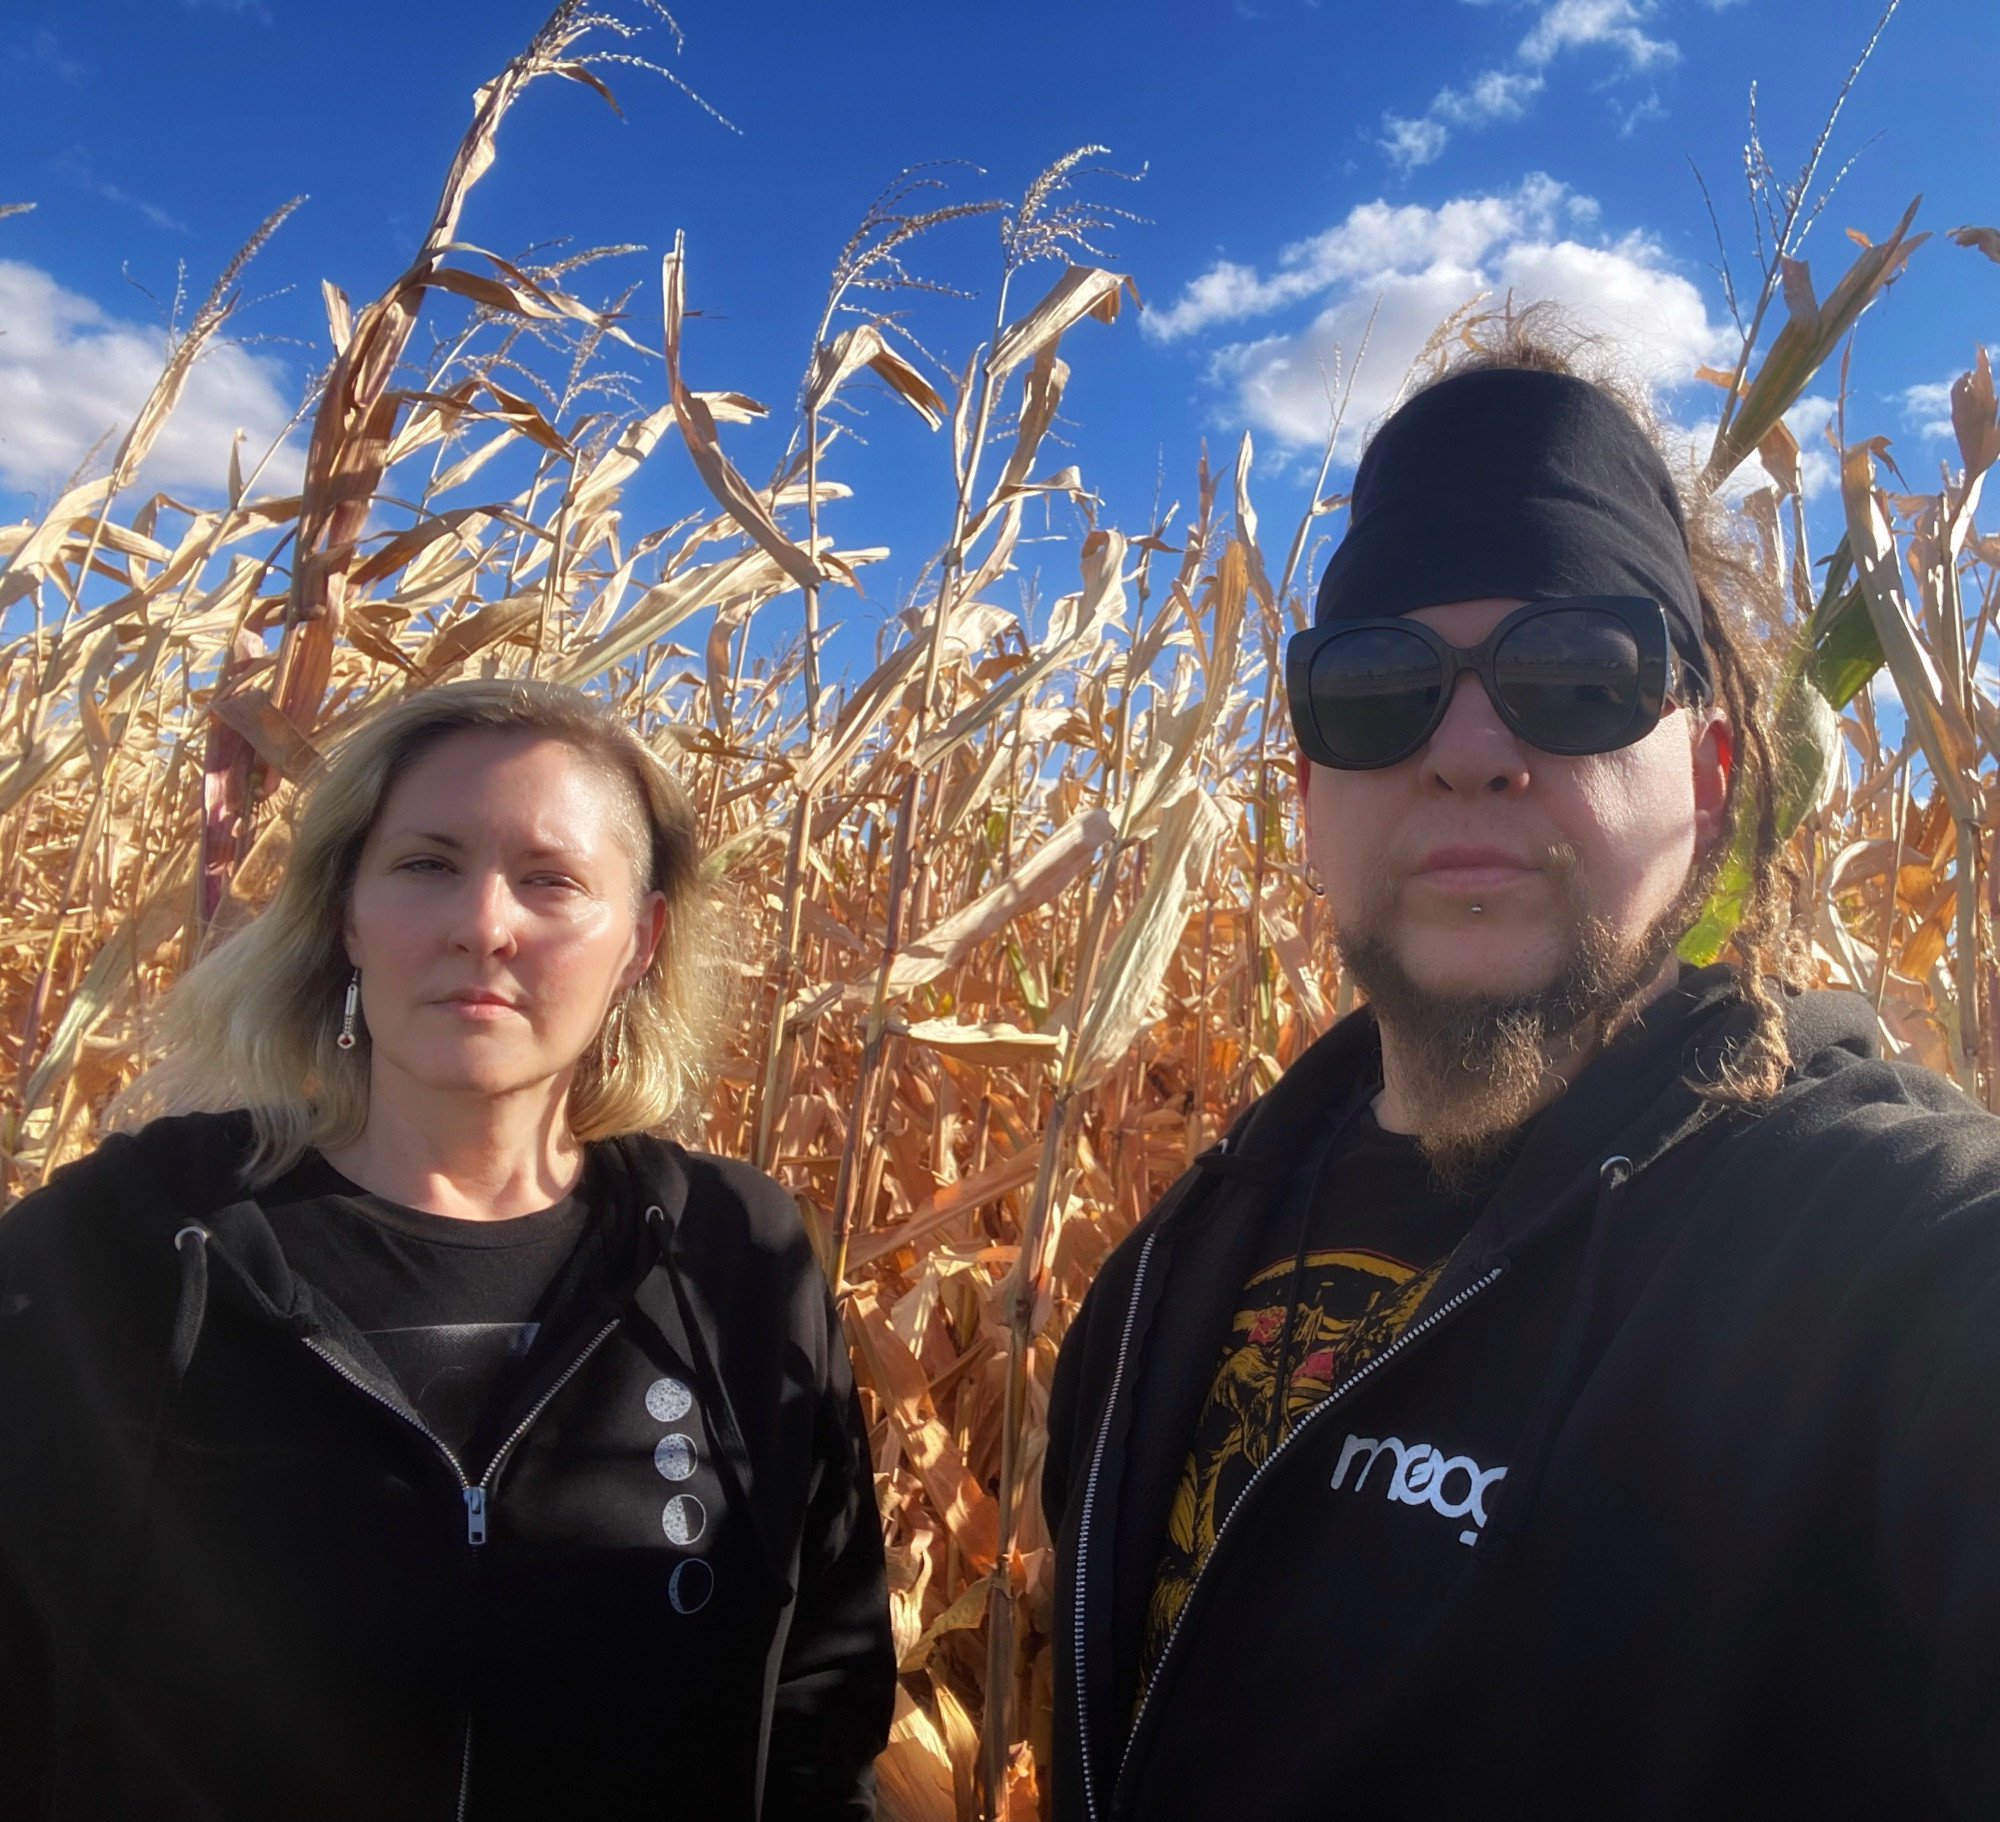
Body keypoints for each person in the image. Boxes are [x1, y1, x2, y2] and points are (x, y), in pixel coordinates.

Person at [1042, 325, 2000, 1819]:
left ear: (1710, 771)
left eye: (1576, 671)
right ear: (1308, 788)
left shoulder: (1880, 1259)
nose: (1471, 747)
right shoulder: (1160, 1283)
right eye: (1378, 685)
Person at [0, 680, 894, 1821]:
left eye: (551, 879)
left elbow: (819, 1708)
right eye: (426, 863)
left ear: (639, 939)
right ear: (345, 913)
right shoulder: (122, 1249)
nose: (484, 921)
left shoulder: (738, 1264)